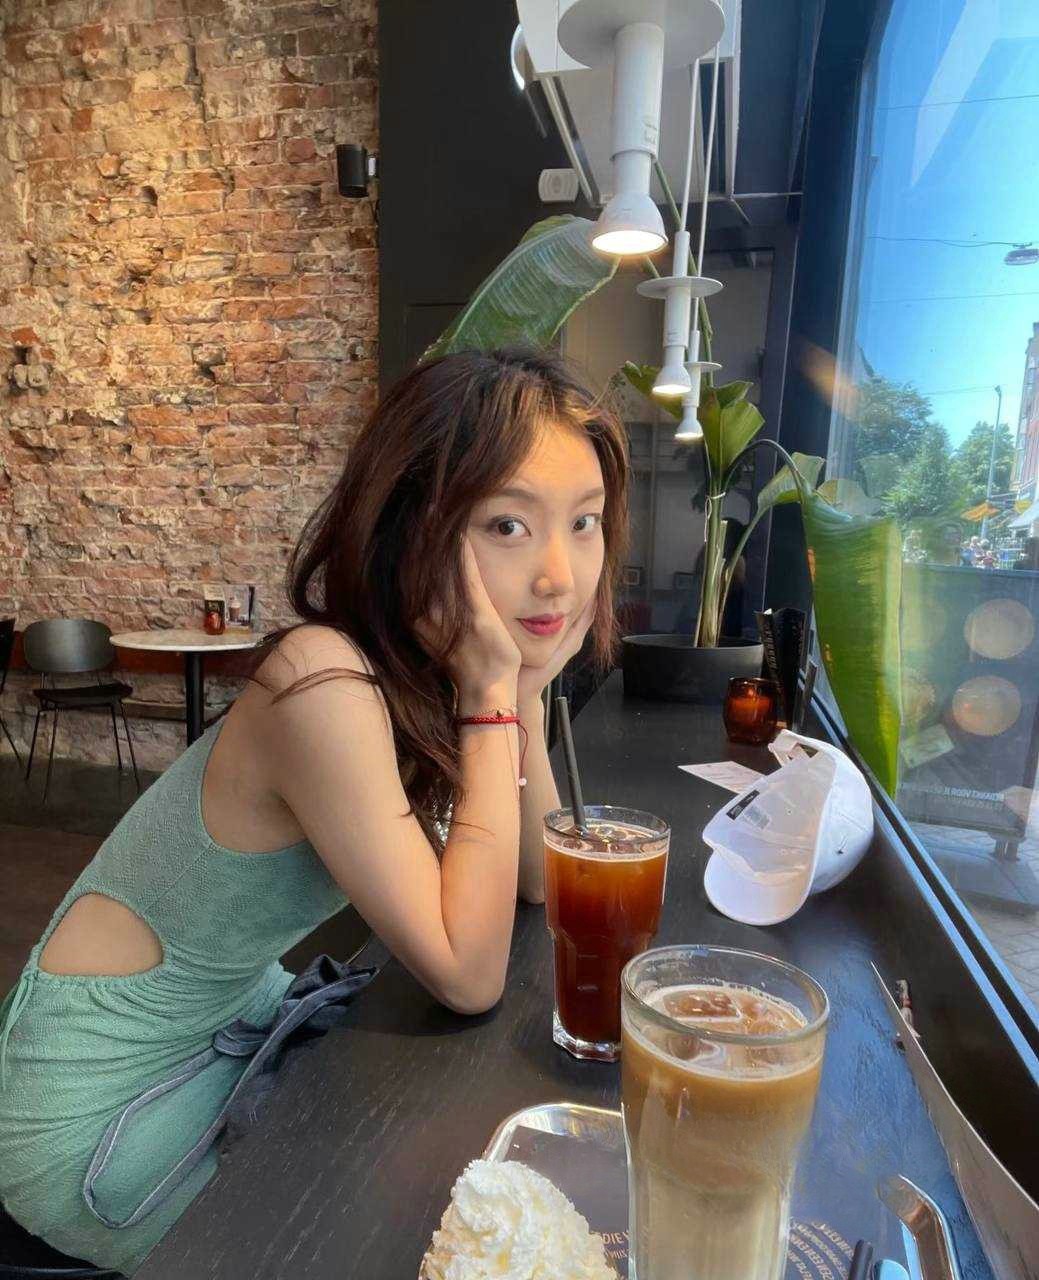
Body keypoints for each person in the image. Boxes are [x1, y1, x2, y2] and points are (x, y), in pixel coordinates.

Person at [0, 347, 630, 1274]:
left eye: (584, 523)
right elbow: (467, 973)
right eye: (506, 525)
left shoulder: (427, 676)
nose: (559, 576)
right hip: (105, 1110)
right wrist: (497, 697)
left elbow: (537, 882)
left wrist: (522, 691)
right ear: (411, 528)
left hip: (226, 1040)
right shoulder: (321, 679)